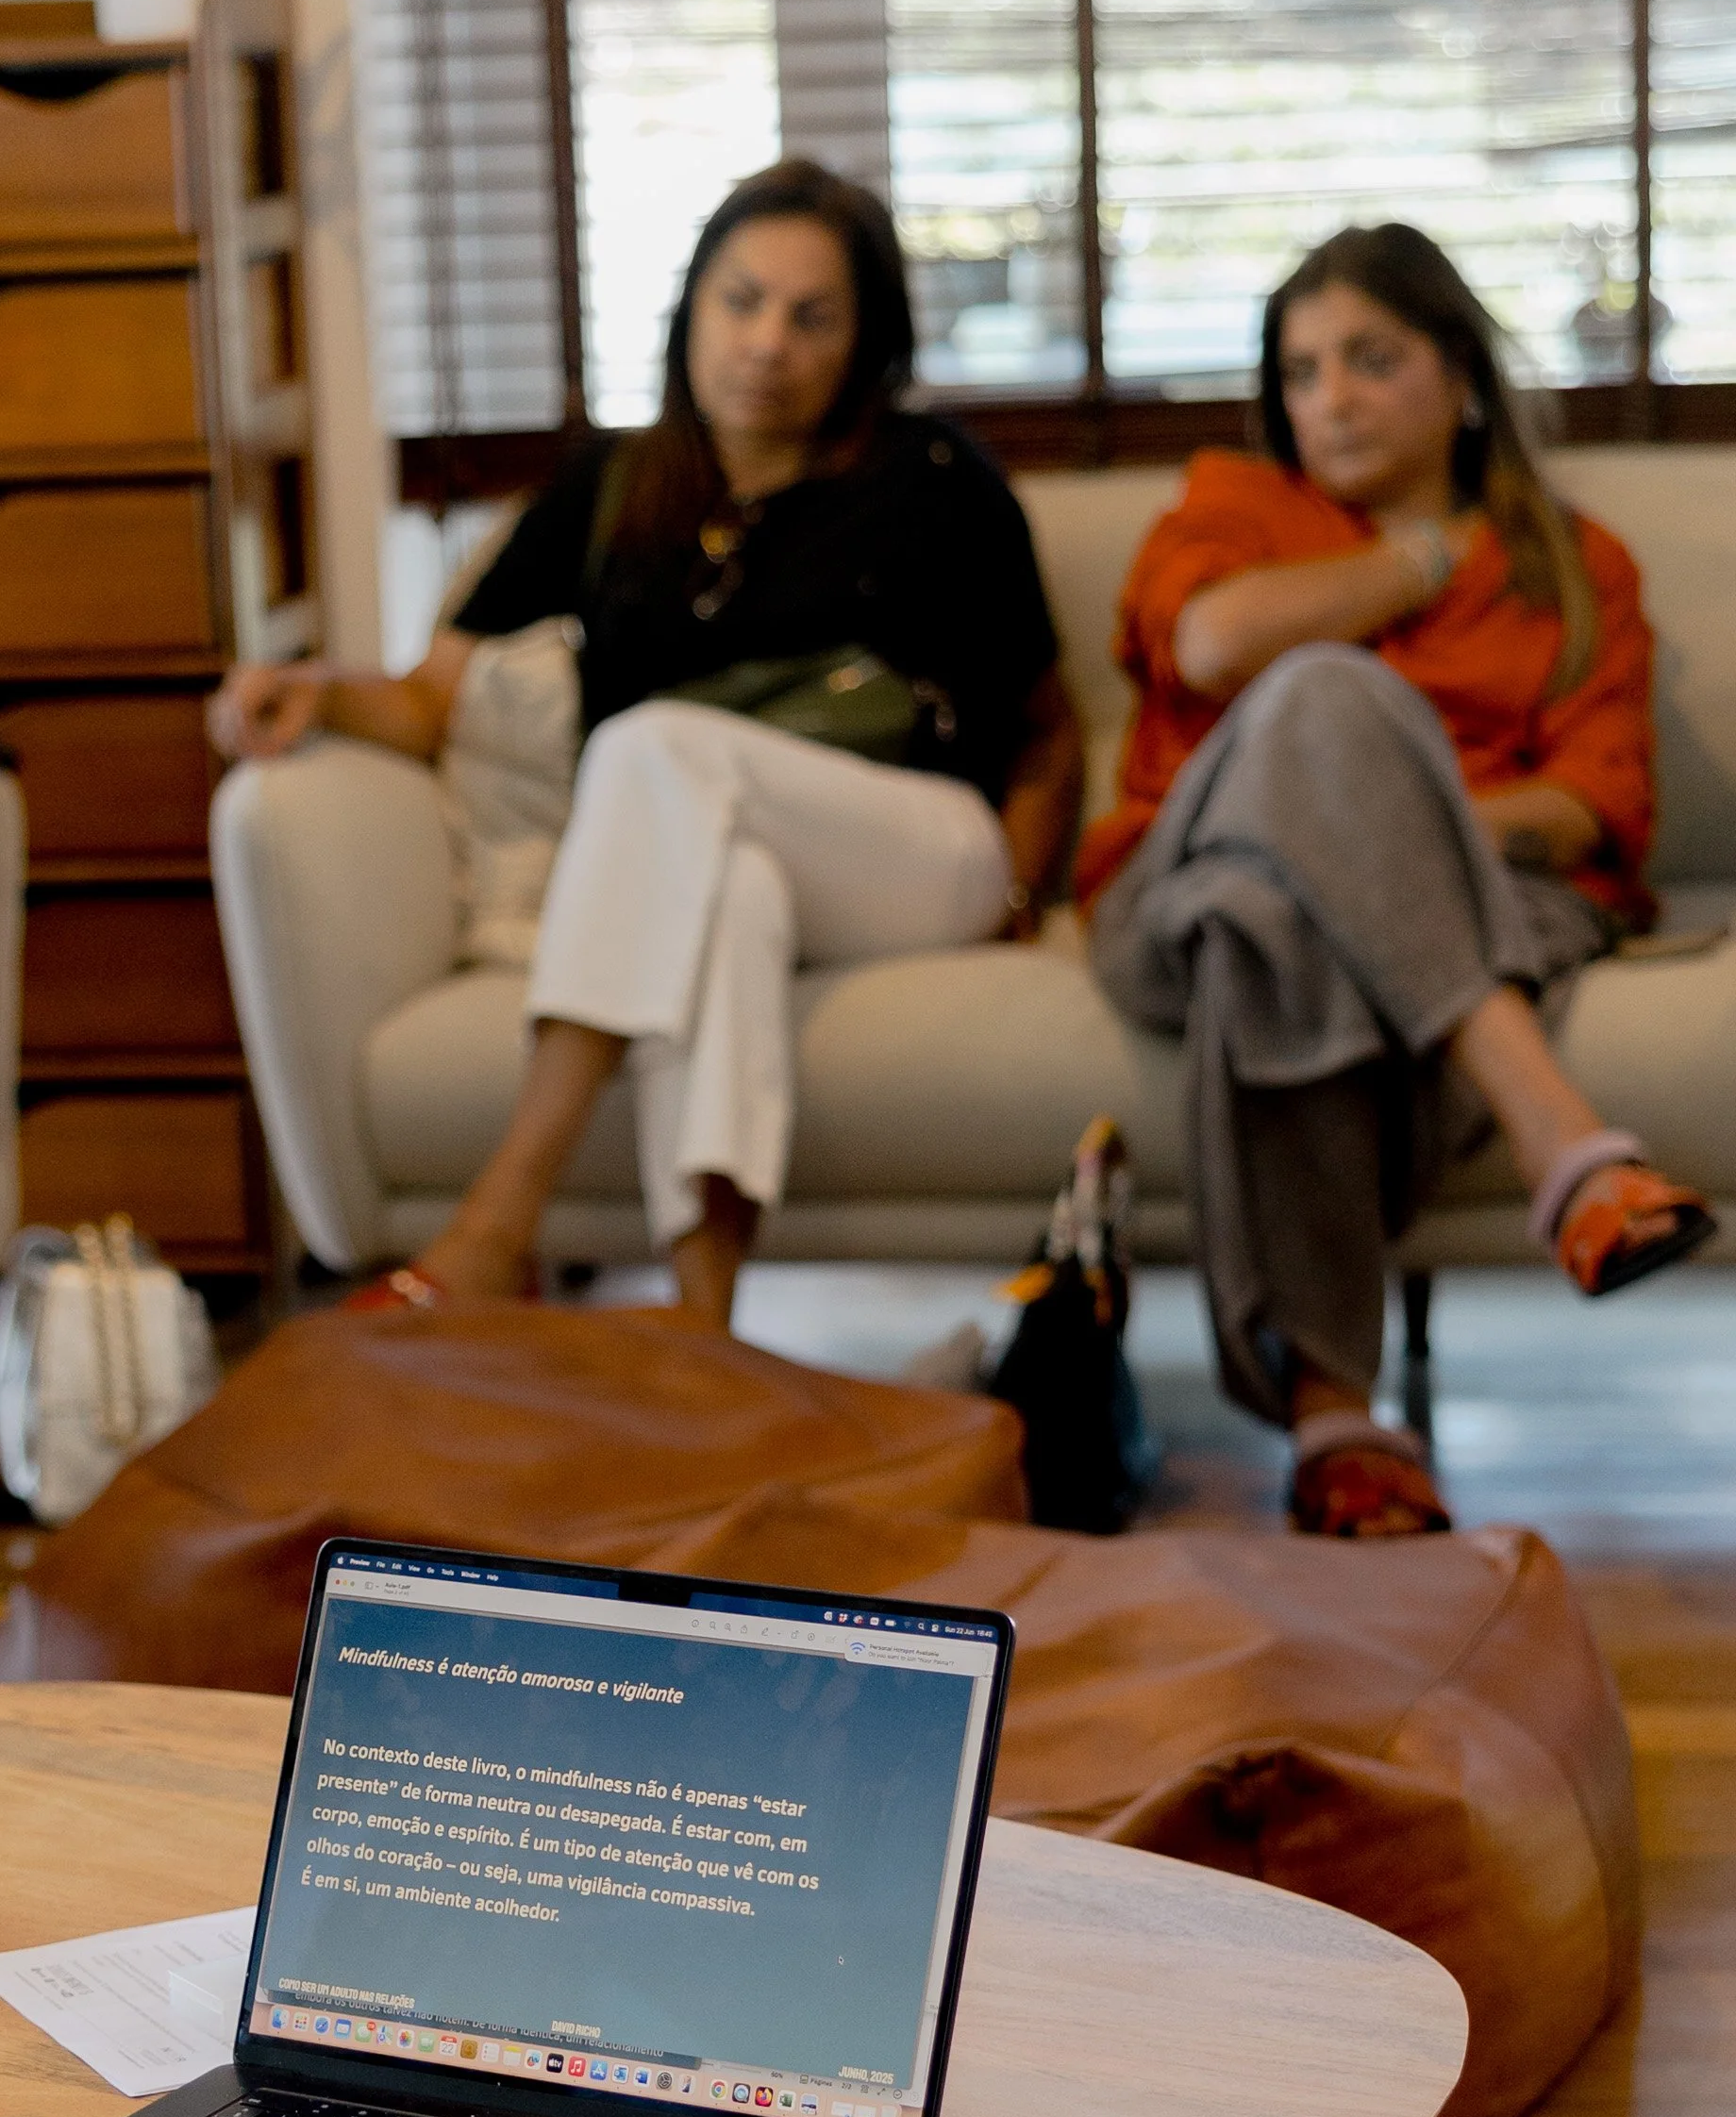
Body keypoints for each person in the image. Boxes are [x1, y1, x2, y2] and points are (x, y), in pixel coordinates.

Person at [210, 158, 1082, 1325]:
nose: (766, 342)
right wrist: (312, 692)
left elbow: (1049, 729)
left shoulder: (933, 483)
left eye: (811, 317)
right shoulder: (612, 487)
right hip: (734, 848)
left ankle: (498, 1215)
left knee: (656, 747)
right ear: (691, 312)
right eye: (741, 300)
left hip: (928, 858)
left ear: (866, 345)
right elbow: (433, 699)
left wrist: (1021, 897)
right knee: (728, 887)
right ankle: (704, 1328)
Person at [1078, 220, 1714, 1540]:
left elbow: (1596, 808)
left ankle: (1335, 1422)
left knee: (1285, 919)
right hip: (1179, 880)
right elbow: (1209, 646)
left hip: (1403, 900)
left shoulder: (1578, 570)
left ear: (1464, 378)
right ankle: (1563, 1146)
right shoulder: (1234, 507)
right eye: (1304, 371)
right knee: (1321, 695)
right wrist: (1419, 559)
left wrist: (1382, 839)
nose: (1333, 397)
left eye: (1372, 358)